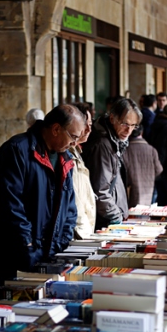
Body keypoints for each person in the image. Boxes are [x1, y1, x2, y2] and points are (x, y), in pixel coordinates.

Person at [0, 105, 86, 298]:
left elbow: (69, 209)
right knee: (12, 315)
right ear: (55, 129)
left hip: (47, 258)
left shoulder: (65, 158)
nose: (75, 144)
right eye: (73, 137)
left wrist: (59, 247)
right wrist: (28, 247)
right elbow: (7, 206)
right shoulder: (16, 150)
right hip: (13, 258)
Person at [83, 98, 142, 229]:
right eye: (125, 124)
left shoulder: (115, 141)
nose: (129, 130)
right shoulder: (103, 145)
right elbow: (100, 190)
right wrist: (117, 217)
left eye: (133, 125)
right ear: (112, 119)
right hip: (105, 221)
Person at [70, 102, 96, 239]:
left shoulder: (77, 152)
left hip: (84, 230)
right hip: (78, 232)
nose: (88, 130)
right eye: (85, 126)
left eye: (90, 125)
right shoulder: (66, 153)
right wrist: (83, 233)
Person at [123, 125, 162, 207]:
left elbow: (123, 170)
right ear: (142, 133)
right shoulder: (152, 149)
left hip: (131, 190)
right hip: (148, 190)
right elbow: (159, 170)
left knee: (132, 216)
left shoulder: (126, 150)